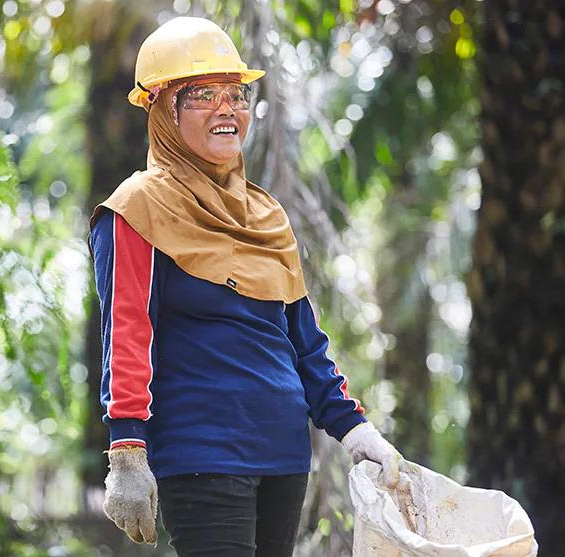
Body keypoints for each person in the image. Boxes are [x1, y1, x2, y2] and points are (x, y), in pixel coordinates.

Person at [87, 16, 402, 557]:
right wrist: (127, 452)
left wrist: (355, 430)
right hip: (202, 453)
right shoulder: (134, 209)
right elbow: (127, 332)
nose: (227, 109)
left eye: (236, 94)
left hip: (283, 455)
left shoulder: (266, 214)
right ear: (162, 109)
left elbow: (304, 341)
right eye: (203, 95)